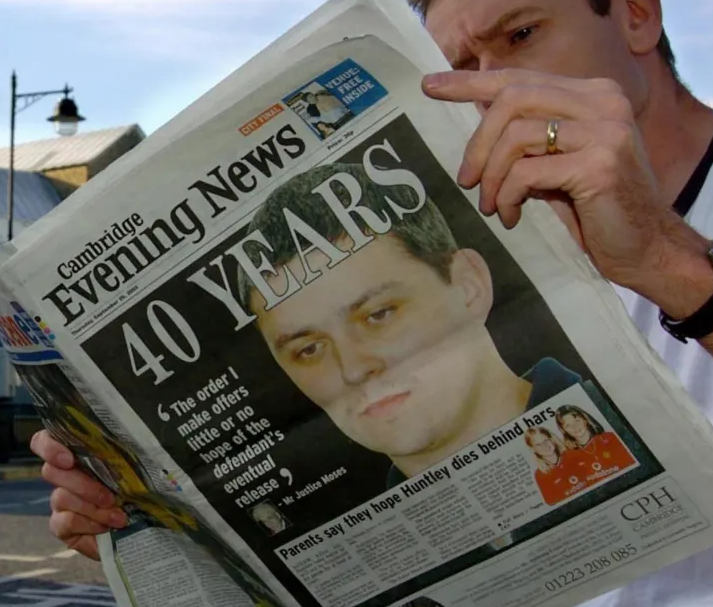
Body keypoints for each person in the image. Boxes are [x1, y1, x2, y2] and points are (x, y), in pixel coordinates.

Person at [34, 0, 713, 607]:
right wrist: (154, 529)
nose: (491, 89)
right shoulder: (530, 232)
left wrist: (662, 259)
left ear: (636, 13)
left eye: (519, 37)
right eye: (459, 71)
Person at [231, 159, 593, 489]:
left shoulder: (630, 419)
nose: (354, 369)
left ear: (469, 288)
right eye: (308, 349)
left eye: (378, 315)